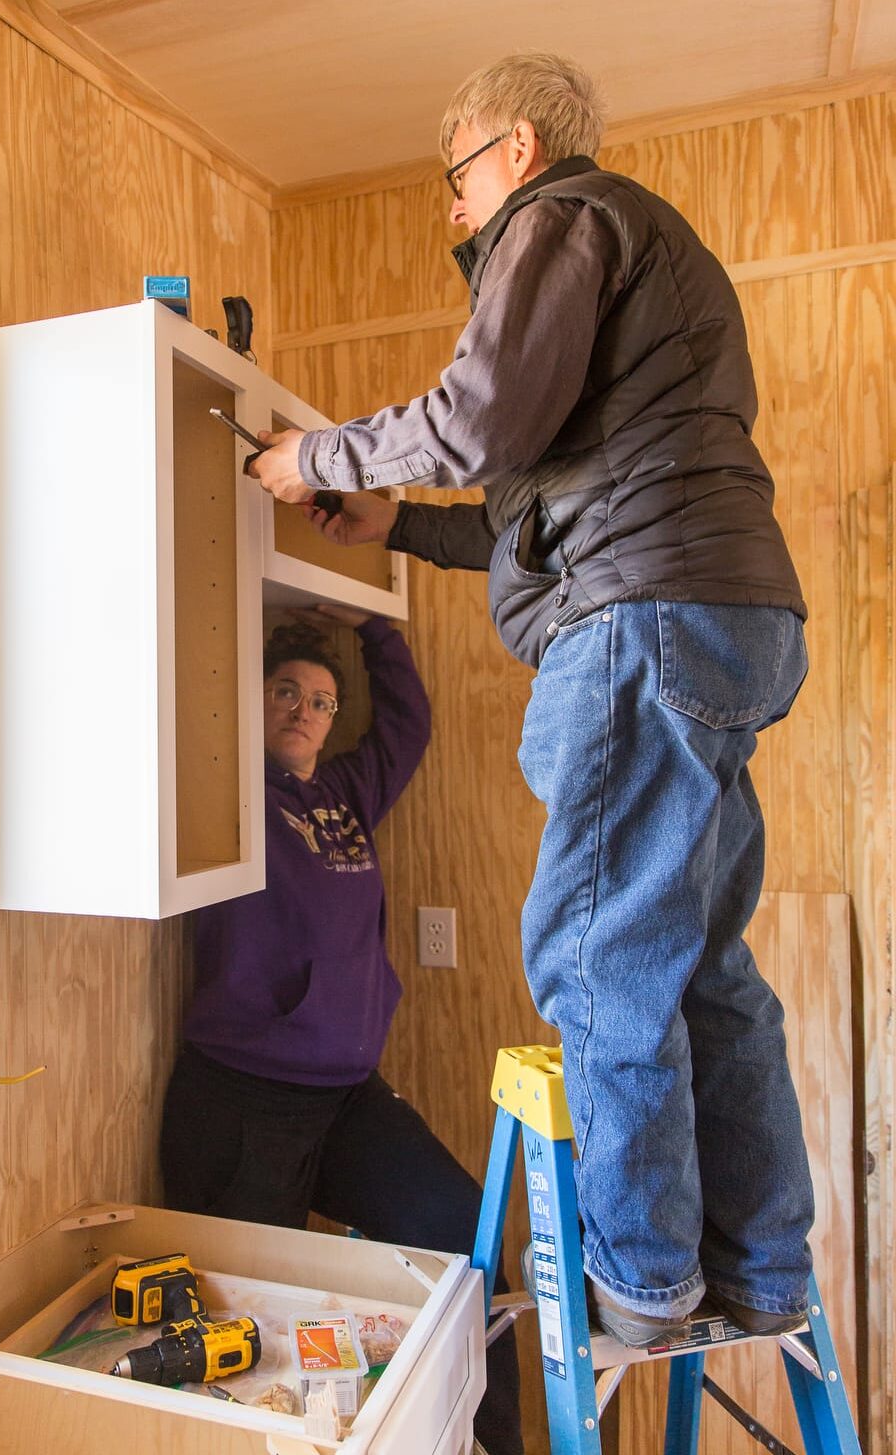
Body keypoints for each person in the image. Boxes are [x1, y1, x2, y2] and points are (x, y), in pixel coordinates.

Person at [248, 53, 815, 1350]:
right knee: (699, 965)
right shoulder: (635, 269)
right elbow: (543, 506)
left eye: (456, 178)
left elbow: (484, 413)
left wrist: (316, 453)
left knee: (598, 960)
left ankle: (645, 1284)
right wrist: (392, 517)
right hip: (721, 619)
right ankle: (765, 1267)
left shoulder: (561, 216)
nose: (455, 212)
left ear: (512, 147)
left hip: (641, 623)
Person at [160, 603, 523, 1455]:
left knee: (460, 1231)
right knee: (249, 1335)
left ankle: (496, 1445)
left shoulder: (346, 796)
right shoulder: (226, 791)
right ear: (251, 702)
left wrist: (374, 624)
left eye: (321, 700)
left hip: (347, 1100)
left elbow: (409, 723)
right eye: (285, 691)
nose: (304, 710)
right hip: (242, 1105)